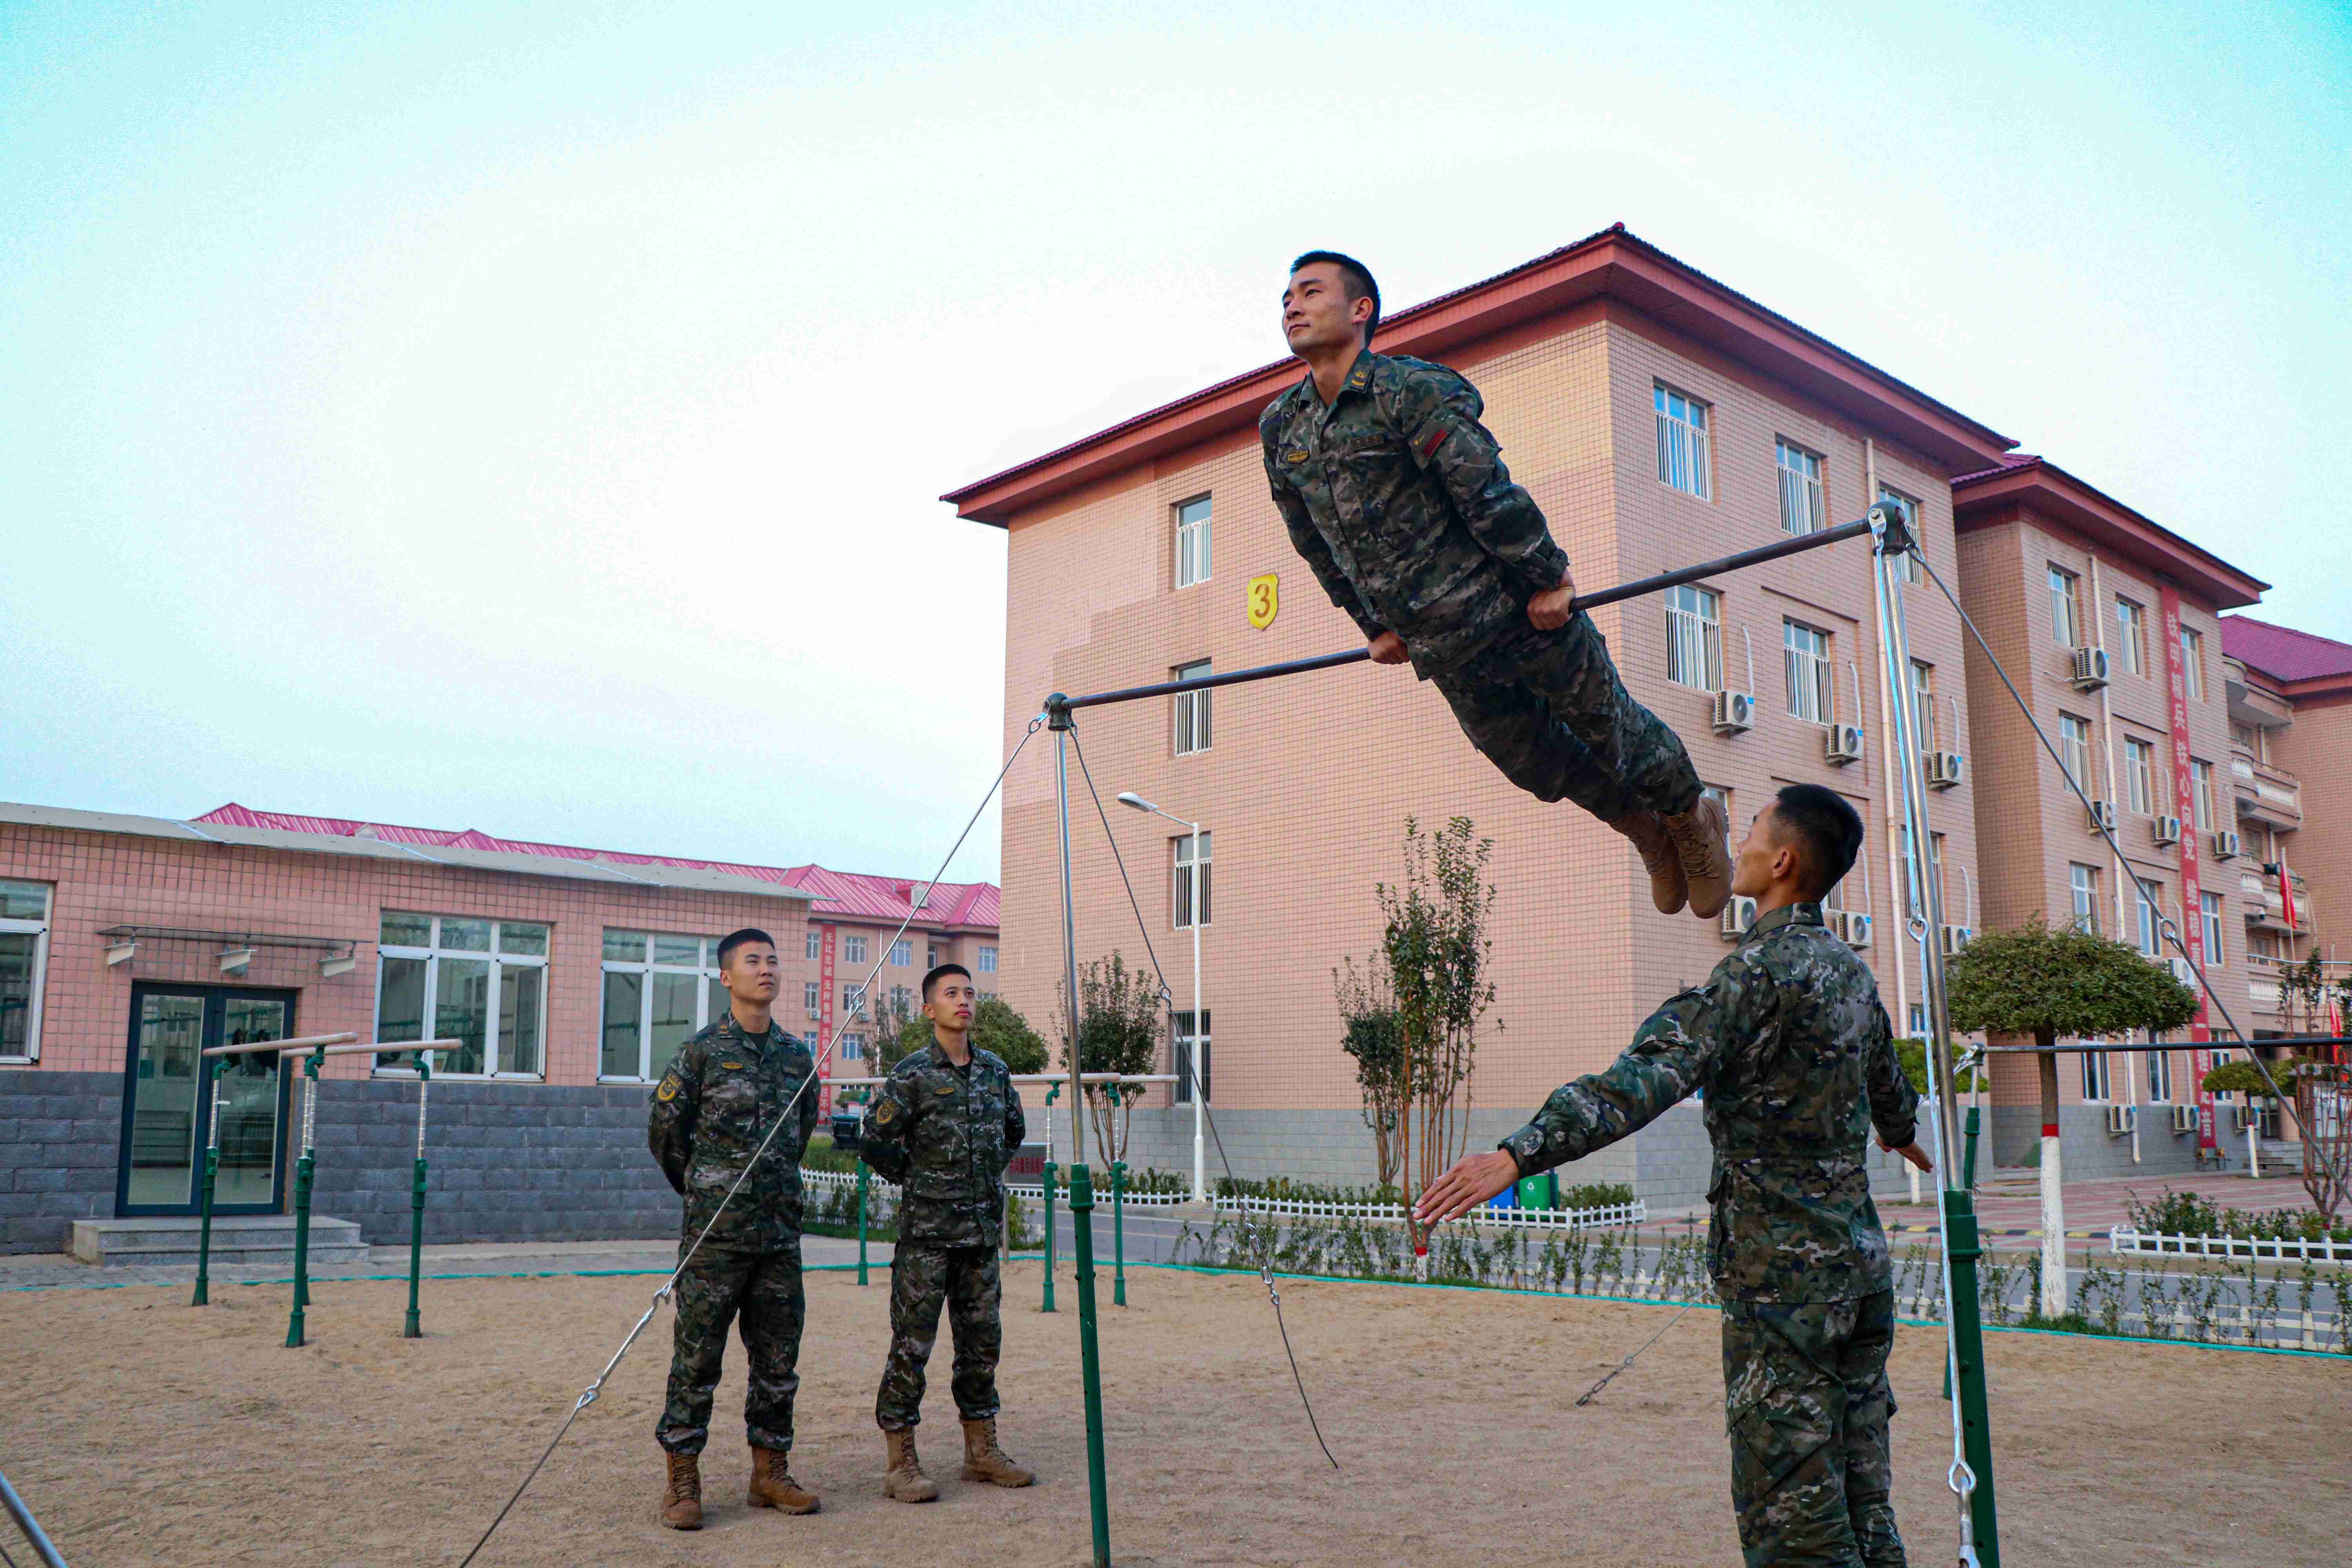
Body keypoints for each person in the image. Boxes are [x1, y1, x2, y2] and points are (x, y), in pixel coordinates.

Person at [1418, 784, 1935, 1566]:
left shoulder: (1753, 977)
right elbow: (1891, 1088)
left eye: (1753, 829)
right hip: (1861, 1277)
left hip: (1785, 1290)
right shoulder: (1852, 975)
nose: (1741, 845)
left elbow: (1641, 1082)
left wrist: (1518, 1154)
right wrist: (1902, 1137)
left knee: (1794, 1519)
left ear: (1784, 861)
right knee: (1863, 1497)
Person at [1263, 249, 1731, 918]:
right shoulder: (1283, 426)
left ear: (1361, 310)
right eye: (1286, 299)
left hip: (1516, 611)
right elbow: (1310, 538)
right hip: (1442, 645)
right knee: (1535, 765)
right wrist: (1371, 625)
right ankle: (1645, 830)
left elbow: (1482, 486)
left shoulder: (1408, 390)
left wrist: (1548, 577)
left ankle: (1690, 819)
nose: (1292, 307)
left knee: (1610, 729)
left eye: (1310, 292)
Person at [646, 926, 823, 1528]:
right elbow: (666, 1135)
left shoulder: (799, 1056)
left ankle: (769, 1473)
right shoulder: (700, 1054)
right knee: (697, 1361)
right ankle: (683, 1480)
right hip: (715, 1240)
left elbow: (799, 1135)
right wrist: (705, 1190)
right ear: (727, 977)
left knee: (778, 1362)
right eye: (753, 961)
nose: (766, 970)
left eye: (773, 961)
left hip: (777, 1239)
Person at [859, 962, 1034, 1501]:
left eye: (970, 993)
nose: (964, 1001)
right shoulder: (912, 1074)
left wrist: (980, 1179)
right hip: (928, 1238)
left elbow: (1013, 1132)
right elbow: (876, 1140)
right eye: (951, 993)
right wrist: (919, 1180)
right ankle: (901, 1462)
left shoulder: (994, 1072)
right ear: (930, 1009)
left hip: (980, 1236)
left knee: (982, 1346)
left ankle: (981, 1451)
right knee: (912, 1347)